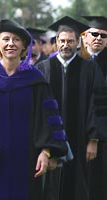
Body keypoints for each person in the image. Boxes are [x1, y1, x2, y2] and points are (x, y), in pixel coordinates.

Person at [0, 19, 68, 200]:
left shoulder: (34, 79)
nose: (10, 44)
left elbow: (49, 118)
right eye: (5, 39)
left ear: (24, 46)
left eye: (16, 39)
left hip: (28, 158)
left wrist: (47, 151)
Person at [36, 16, 101, 200]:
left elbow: (96, 104)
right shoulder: (43, 69)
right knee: (51, 186)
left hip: (80, 138)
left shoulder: (89, 69)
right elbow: (38, 109)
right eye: (62, 41)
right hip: (50, 141)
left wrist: (93, 139)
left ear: (78, 42)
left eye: (70, 41)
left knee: (78, 186)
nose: (66, 45)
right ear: (56, 42)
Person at [82, 16, 107, 200]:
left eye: (103, 36)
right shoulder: (74, 61)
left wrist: (95, 136)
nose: (98, 38)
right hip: (77, 133)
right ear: (85, 36)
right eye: (94, 34)